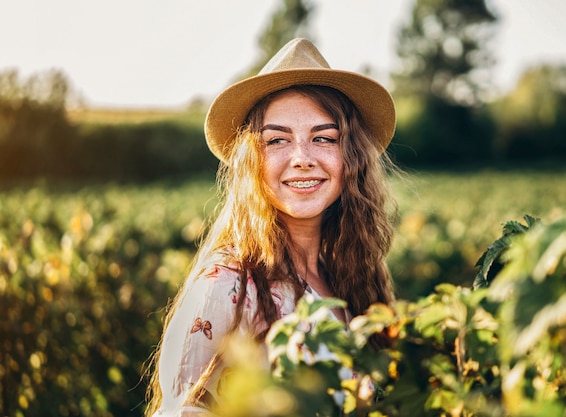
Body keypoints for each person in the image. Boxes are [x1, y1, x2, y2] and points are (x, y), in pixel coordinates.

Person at [145, 37, 398, 417]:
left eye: (323, 138)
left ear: (351, 157)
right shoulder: (226, 282)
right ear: (252, 161)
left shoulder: (354, 279)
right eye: (277, 140)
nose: (301, 158)